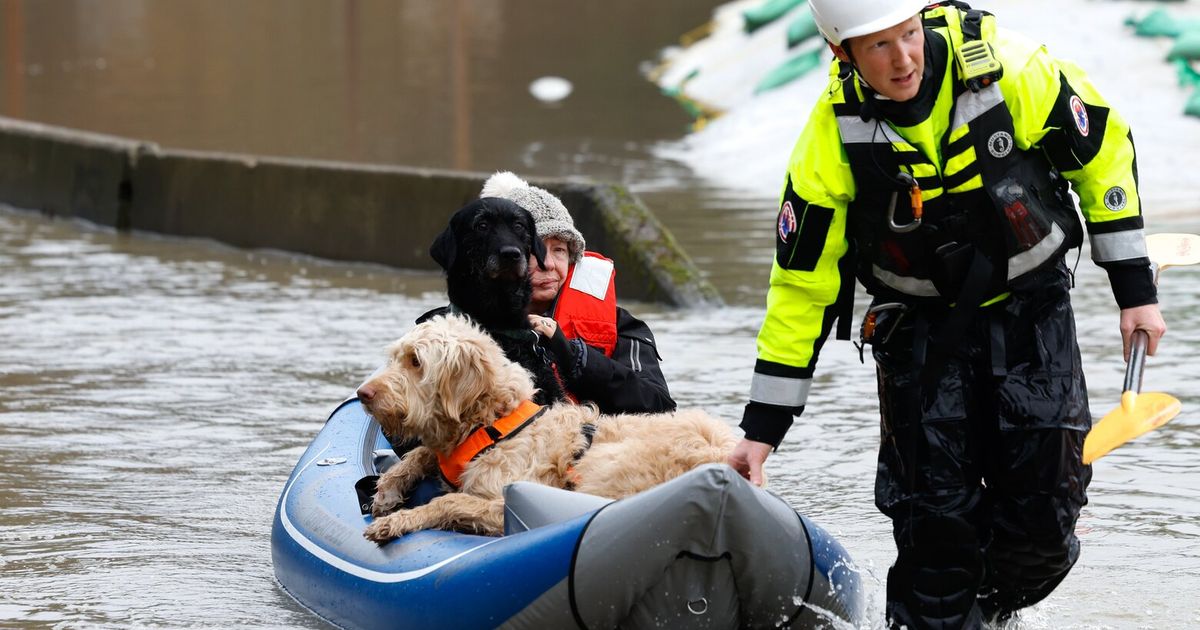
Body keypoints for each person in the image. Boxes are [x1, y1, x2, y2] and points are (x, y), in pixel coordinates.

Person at [726, 1, 1167, 627]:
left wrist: (1134, 290)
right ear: (841, 54)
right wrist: (762, 428)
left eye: (908, 35)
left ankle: (986, 610)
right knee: (933, 528)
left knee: (1045, 522)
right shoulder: (831, 136)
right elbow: (802, 287)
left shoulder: (1014, 69)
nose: (903, 58)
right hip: (918, 336)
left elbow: (1102, 155)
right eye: (878, 47)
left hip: (1031, 312)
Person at [480, 171, 677, 415]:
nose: (548, 264)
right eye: (534, 250)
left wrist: (573, 356)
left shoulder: (622, 326)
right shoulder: (458, 327)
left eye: (560, 250)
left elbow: (659, 406)